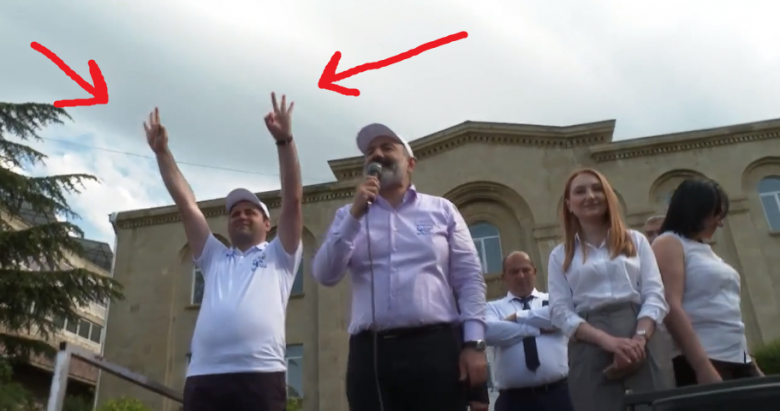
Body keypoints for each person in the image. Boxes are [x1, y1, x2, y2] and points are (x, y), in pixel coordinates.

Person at [311, 123, 488, 411]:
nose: (377, 154)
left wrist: (474, 343)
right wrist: (354, 216)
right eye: (370, 151)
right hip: (371, 354)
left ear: (410, 163)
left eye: (387, 148)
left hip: (435, 349)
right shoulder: (348, 216)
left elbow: (469, 280)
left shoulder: (442, 210)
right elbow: (325, 274)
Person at [146, 93, 303, 411]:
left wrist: (285, 141)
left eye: (250, 212)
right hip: (205, 376)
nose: (241, 216)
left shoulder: (280, 255)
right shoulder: (214, 257)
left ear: (267, 223)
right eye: (234, 213)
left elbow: (292, 200)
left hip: (260, 376)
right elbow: (187, 204)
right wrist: (162, 153)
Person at [547, 168, 672, 411]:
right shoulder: (560, 255)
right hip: (589, 342)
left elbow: (654, 294)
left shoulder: (636, 241)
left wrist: (638, 340)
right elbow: (560, 311)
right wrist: (609, 342)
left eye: (597, 189)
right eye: (580, 191)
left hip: (643, 336)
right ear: (569, 204)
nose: (590, 196)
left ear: (608, 196)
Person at [652, 178, 763, 386]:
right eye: (716, 215)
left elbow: (725, 311)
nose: (720, 223)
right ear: (696, 210)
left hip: (738, 358)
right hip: (705, 359)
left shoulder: (705, 250)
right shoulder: (669, 243)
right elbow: (670, 305)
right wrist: (702, 366)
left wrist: (751, 363)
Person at [486, 251, 574, 411]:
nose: (520, 276)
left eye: (525, 270)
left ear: (534, 271)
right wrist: (536, 328)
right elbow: (490, 331)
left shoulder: (552, 300)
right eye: (514, 272)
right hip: (513, 401)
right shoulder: (493, 307)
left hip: (559, 395)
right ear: (503, 277)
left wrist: (516, 318)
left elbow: (559, 317)